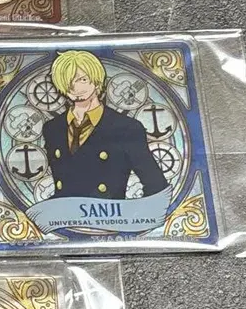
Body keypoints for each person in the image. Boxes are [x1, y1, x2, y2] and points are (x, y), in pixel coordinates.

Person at [41, 50, 169, 201]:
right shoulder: (52, 128)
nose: (75, 88)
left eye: (83, 80)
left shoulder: (126, 128)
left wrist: (133, 213)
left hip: (108, 213)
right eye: (69, 81)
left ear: (96, 80)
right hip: (66, 214)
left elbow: (156, 184)